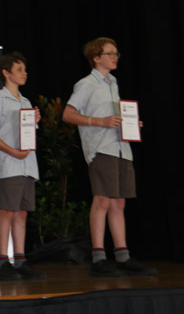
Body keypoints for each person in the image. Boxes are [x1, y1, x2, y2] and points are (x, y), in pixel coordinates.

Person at [62, 37, 157, 277]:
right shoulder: (86, 84)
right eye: (110, 53)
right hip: (101, 148)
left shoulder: (113, 83)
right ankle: (98, 258)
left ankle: (123, 256)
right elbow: (68, 114)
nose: (115, 57)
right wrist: (100, 121)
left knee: (119, 202)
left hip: (121, 148)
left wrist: (130, 124)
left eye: (116, 53)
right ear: (96, 58)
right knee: (102, 200)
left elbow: (113, 116)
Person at [0, 52, 46, 281]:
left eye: (24, 69)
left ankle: (20, 260)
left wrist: (35, 121)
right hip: (8, 164)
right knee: (7, 211)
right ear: (6, 73)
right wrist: (11, 151)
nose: (24, 73)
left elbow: (26, 136)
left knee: (22, 213)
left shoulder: (26, 102)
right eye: (19, 69)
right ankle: (3, 262)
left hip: (27, 165)